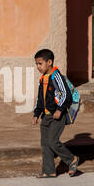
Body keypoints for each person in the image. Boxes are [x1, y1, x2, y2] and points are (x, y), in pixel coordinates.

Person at [32, 49, 79, 178]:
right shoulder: (43, 79)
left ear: (49, 62)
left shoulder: (56, 76)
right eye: (36, 64)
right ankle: (49, 171)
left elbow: (65, 94)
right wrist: (36, 114)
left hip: (58, 116)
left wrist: (59, 110)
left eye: (40, 64)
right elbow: (40, 98)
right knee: (45, 144)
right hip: (46, 117)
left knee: (53, 141)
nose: (38, 67)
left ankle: (72, 159)